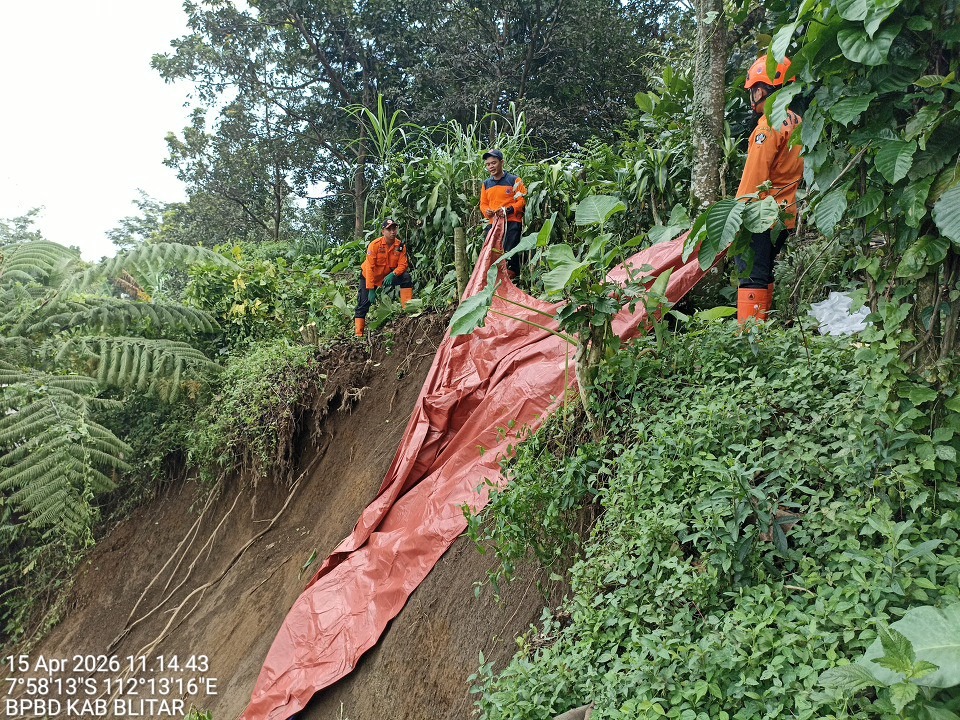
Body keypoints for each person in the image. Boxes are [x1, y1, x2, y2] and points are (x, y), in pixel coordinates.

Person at [735, 54, 804, 323]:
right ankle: (763, 333)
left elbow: (755, 175)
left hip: (761, 212)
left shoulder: (768, 126)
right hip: (785, 213)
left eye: (754, 90)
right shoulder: (796, 122)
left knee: (751, 271)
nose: (752, 96)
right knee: (764, 271)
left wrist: (739, 215)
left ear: (763, 89)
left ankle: (749, 338)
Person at [354, 218, 414, 337]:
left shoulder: (400, 246)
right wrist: (371, 289)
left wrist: (394, 274)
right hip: (369, 277)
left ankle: (408, 309)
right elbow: (369, 268)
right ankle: (359, 334)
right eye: (389, 229)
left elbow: (403, 265)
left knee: (406, 277)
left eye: (394, 229)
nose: (392, 232)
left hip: (386, 277)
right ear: (383, 232)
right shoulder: (374, 245)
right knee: (363, 303)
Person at [480, 149, 527, 277]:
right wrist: (487, 211)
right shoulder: (486, 184)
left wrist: (509, 210)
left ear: (502, 162)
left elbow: (522, 200)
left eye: (493, 163)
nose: (491, 166)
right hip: (493, 224)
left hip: (511, 222)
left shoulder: (514, 180)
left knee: (510, 252)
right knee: (492, 253)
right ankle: (497, 282)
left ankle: (512, 281)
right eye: (488, 164)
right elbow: (483, 204)